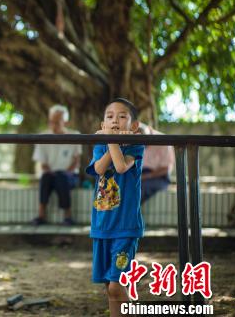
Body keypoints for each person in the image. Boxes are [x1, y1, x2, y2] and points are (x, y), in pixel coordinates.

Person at [86, 98, 144, 317]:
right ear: (103, 125)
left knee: (117, 286)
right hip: (102, 226)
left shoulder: (136, 145)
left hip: (125, 227)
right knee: (108, 289)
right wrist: (110, 141)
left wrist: (112, 141)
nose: (115, 121)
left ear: (134, 126)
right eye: (109, 117)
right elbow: (100, 169)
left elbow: (120, 167)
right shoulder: (101, 145)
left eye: (122, 116)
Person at [31, 105, 82, 226]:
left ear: (65, 121)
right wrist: (50, 171)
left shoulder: (75, 135)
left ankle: (68, 216)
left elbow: (76, 161)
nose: (53, 124)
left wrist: (66, 172)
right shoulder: (43, 136)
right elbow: (43, 163)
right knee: (46, 178)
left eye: (57, 121)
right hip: (51, 174)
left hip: (69, 176)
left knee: (61, 177)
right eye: (51, 121)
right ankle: (41, 215)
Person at [138, 123, 175, 205]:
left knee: (139, 189)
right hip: (138, 174)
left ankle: (128, 215)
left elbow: (166, 169)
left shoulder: (163, 140)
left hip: (158, 177)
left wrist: (145, 176)